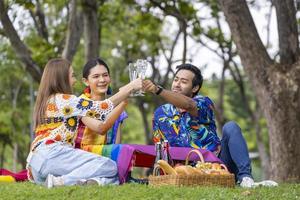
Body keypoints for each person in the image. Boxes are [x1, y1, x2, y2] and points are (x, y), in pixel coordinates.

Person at [143, 63, 277, 188]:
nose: (177, 84)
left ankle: (246, 179)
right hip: (182, 171)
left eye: (184, 82)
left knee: (231, 127)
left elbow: (188, 105)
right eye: (176, 79)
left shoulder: (203, 102)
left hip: (217, 165)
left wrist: (157, 90)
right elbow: (160, 147)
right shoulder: (161, 113)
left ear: (195, 88)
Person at [26, 58, 142, 188]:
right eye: (72, 76)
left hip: (36, 166)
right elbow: (101, 108)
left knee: (114, 178)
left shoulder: (47, 100)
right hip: (52, 156)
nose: (75, 80)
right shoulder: (65, 100)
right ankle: (61, 182)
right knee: (110, 166)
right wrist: (129, 88)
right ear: (62, 78)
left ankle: (91, 183)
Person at [75, 58, 128, 151]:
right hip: (81, 161)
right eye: (96, 76)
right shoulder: (80, 103)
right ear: (86, 81)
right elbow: (101, 128)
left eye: (105, 75)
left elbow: (116, 145)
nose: (102, 80)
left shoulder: (117, 107)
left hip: (106, 161)